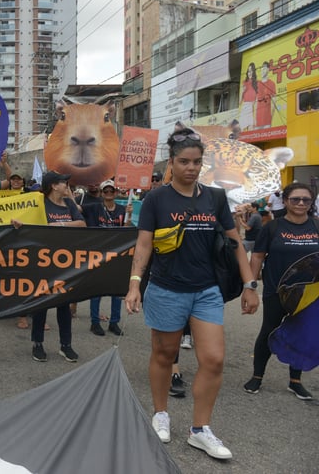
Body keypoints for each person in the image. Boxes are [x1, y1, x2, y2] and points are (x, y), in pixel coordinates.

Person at [125, 127, 259, 460]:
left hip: (207, 291)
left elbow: (235, 242)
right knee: (165, 355)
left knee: (213, 360)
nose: (191, 167)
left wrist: (249, 285)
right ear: (172, 162)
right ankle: (160, 413)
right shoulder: (156, 199)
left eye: (197, 162)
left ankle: (200, 430)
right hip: (167, 289)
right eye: (184, 161)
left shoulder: (214, 198)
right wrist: (134, 284)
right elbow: (144, 244)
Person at [244, 182, 318, 401]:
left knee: (302, 334)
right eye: (295, 199)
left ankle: (295, 381)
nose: (301, 203)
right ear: (285, 201)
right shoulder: (273, 227)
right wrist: (250, 287)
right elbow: (257, 257)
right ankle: (257, 376)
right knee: (268, 330)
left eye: (306, 199)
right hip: (277, 290)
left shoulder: (316, 226)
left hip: (309, 294)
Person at [27, 170, 84, 363]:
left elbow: (81, 225)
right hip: (43, 261)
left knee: (64, 304)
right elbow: (29, 222)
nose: (66, 186)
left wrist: (58, 225)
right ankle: (37, 343)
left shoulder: (69, 204)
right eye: (63, 183)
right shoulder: (40, 203)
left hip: (65, 262)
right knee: (42, 304)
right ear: (53, 185)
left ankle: (65, 345)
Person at [83, 179, 132, 337]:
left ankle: (114, 323)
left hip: (117, 254)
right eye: (106, 191)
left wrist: (129, 216)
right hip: (98, 253)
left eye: (112, 191)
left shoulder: (122, 209)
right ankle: (95, 322)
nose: (109, 194)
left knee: (116, 291)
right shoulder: (94, 207)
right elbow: (75, 208)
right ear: (101, 193)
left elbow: (126, 230)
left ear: (116, 193)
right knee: (96, 290)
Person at [255, 61, 276, 128]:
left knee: (267, 137)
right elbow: (255, 102)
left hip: (267, 120)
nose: (262, 71)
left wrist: (271, 117)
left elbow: (274, 101)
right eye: (261, 69)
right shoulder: (257, 84)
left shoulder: (271, 84)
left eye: (264, 69)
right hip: (258, 120)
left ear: (268, 70)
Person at [240, 62, 257, 131]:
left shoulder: (257, 83)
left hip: (253, 108)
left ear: (254, 72)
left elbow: (257, 99)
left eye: (251, 71)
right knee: (242, 131)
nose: (249, 73)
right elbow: (239, 102)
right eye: (248, 71)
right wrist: (242, 91)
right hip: (245, 107)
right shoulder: (244, 83)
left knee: (251, 130)